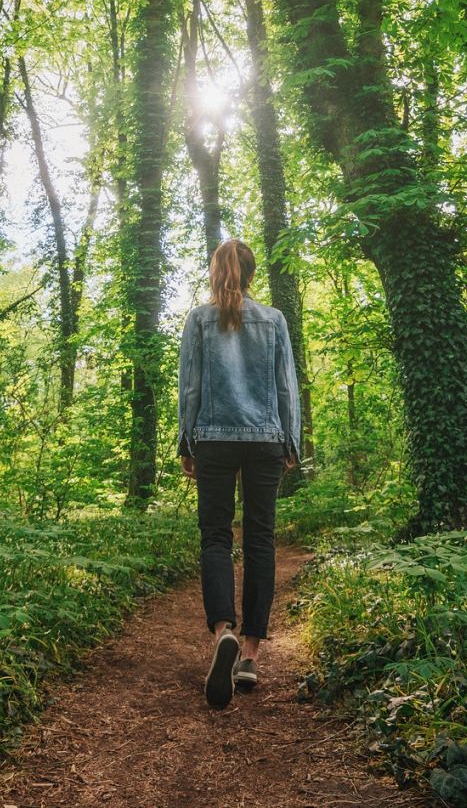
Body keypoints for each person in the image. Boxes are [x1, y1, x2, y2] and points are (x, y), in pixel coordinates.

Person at [177, 238, 301, 709]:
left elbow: (191, 387)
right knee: (260, 540)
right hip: (265, 438)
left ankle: (222, 633)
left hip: (213, 438)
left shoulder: (199, 320)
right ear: (251, 275)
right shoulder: (273, 320)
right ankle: (249, 655)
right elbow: (285, 385)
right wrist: (289, 438)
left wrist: (187, 441)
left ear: (216, 272)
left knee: (214, 537)